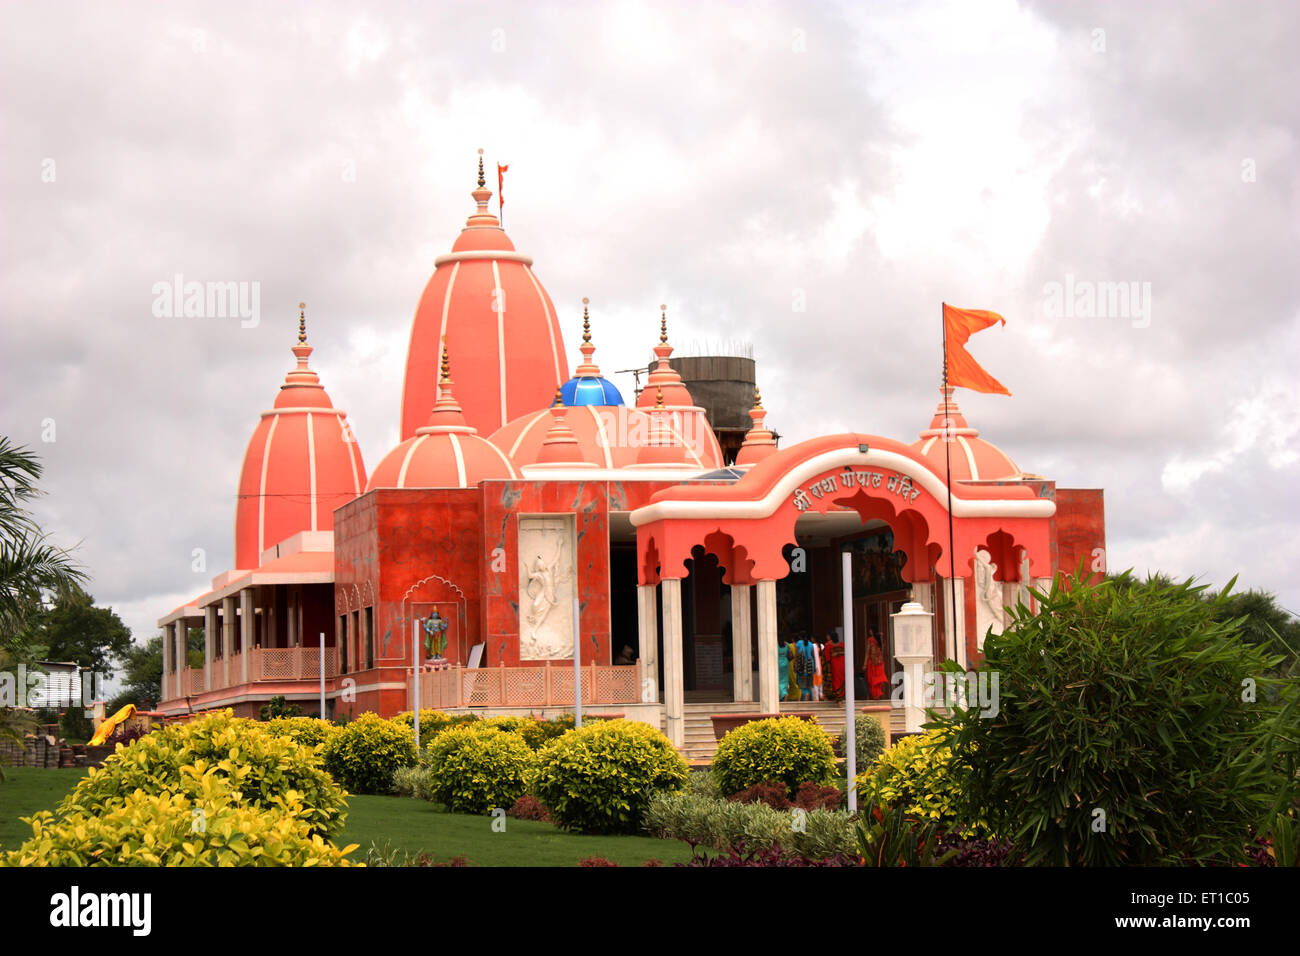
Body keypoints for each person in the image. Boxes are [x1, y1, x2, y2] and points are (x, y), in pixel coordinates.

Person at [865, 631, 888, 700]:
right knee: (878, 680)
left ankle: (875, 696)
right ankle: (877, 695)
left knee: (872, 679)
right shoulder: (879, 640)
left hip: (872, 663)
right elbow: (883, 647)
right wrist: (881, 637)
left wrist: (865, 663)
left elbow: (867, 652)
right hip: (880, 663)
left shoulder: (870, 640)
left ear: (872, 631)